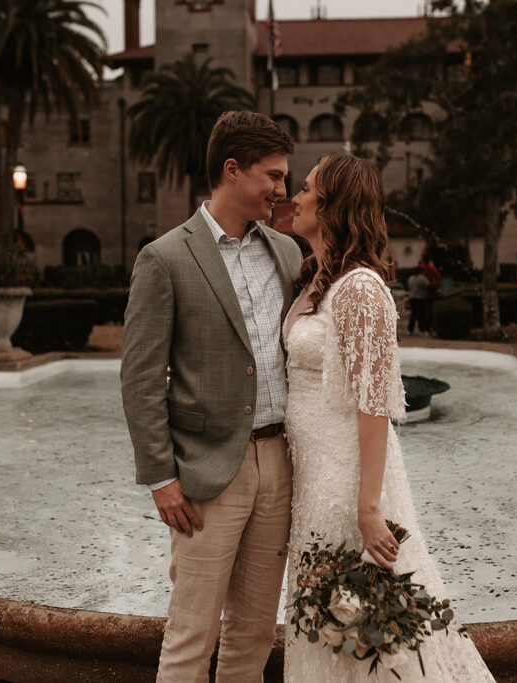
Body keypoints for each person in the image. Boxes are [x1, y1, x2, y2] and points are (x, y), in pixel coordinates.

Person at [283, 155, 495, 682]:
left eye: (307, 188)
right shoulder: (318, 281)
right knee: (326, 622)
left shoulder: (359, 289)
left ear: (331, 206)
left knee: (376, 632)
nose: (295, 196)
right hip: (313, 480)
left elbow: (375, 402)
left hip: (350, 483)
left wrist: (368, 507)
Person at [121, 111, 301, 683]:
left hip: (280, 461)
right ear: (232, 170)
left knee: (252, 633)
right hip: (204, 472)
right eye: (272, 176)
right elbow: (140, 376)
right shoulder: (165, 257)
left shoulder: (288, 254)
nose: (282, 189)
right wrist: (161, 477)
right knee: (191, 633)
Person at [406, 268, 430, 334]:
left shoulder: (411, 278)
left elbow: (408, 287)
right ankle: (422, 328)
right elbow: (427, 286)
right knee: (421, 314)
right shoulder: (422, 278)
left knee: (413, 314)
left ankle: (410, 328)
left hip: (412, 298)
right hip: (420, 298)